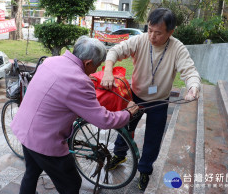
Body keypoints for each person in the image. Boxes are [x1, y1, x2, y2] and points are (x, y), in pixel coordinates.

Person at [10, 36, 139, 194]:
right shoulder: (79, 81)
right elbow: (103, 120)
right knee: (71, 184)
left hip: (24, 129)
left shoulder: (52, 61)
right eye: (97, 66)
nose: (96, 71)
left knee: (31, 172)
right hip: (44, 141)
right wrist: (128, 113)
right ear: (88, 63)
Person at [101, 8, 201, 191]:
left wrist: (193, 88)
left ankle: (145, 170)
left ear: (171, 32)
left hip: (160, 101)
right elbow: (115, 51)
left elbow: (190, 71)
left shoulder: (177, 48)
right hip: (136, 96)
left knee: (153, 138)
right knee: (124, 127)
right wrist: (108, 71)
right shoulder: (140, 40)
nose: (152, 36)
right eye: (150, 30)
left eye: (158, 33)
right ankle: (119, 154)